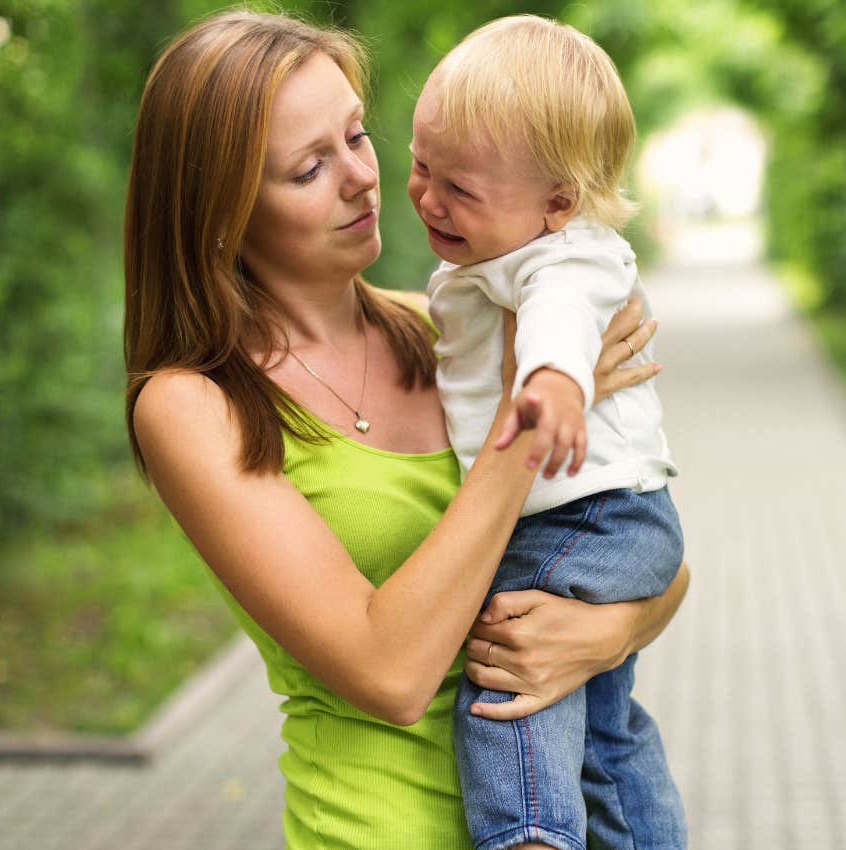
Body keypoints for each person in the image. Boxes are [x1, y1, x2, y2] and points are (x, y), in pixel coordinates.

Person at [123, 10, 689, 849]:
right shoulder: (193, 405)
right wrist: (522, 428)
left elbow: (646, 551)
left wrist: (603, 633)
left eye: (356, 135)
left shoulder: (448, 329)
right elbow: (388, 674)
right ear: (221, 213)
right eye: (310, 167)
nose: (362, 177)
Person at [407, 15, 685, 850]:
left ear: (558, 203)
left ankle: (529, 834)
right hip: (618, 517)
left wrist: (555, 382)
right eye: (420, 166)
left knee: (508, 661)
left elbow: (559, 316)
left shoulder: (566, 256)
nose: (428, 198)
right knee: (603, 724)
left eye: (460, 189)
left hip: (586, 518)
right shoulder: (495, 253)